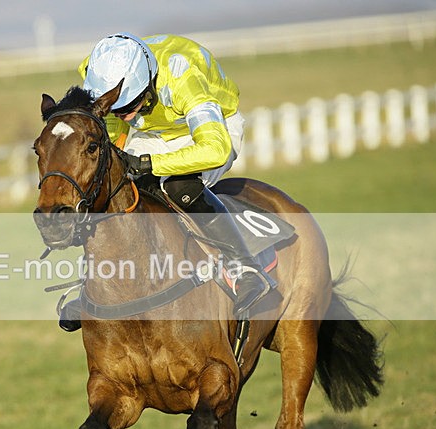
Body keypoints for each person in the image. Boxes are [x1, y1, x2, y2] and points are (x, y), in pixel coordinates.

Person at [59, 33, 276, 331]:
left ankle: (245, 269)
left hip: (210, 129)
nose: (124, 113)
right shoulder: (95, 71)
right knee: (113, 187)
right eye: (117, 107)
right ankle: (93, 284)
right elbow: (111, 127)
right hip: (153, 134)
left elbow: (215, 149)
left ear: (148, 83)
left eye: (129, 104)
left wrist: (148, 164)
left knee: (178, 186)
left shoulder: (181, 75)